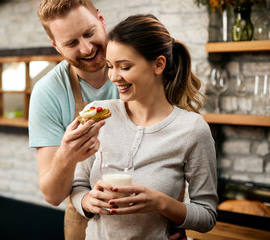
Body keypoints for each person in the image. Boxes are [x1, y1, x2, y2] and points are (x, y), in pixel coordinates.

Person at [30, 1, 188, 239]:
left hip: (154, 223)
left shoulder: (146, 67)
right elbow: (52, 195)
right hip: (87, 223)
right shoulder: (48, 93)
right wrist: (67, 153)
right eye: (71, 43)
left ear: (101, 20)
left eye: (89, 33)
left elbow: (177, 152)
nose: (86, 49)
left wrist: (175, 221)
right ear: (56, 46)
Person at [70, 14, 218, 239]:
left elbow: (207, 215)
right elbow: (78, 185)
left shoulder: (191, 129)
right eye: (110, 66)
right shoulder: (98, 115)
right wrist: (87, 201)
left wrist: (160, 203)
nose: (114, 76)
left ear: (158, 64)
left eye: (125, 67)